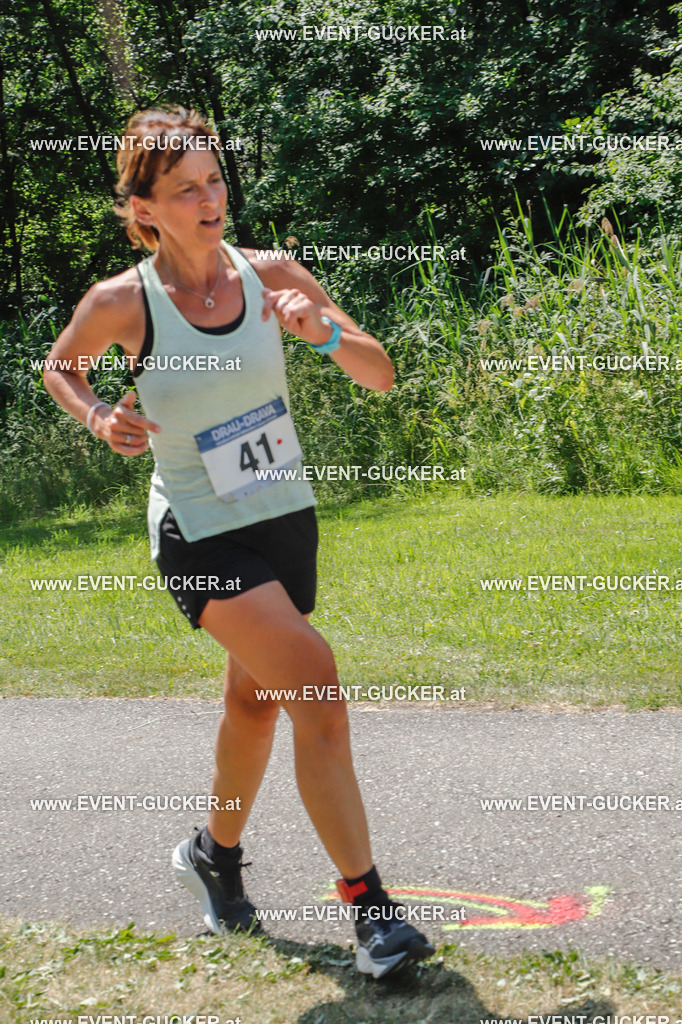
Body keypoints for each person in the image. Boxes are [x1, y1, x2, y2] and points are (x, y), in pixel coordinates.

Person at [43, 107, 435, 980]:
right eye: (185, 190)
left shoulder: (272, 275)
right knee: (316, 683)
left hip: (283, 516)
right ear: (145, 210)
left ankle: (213, 856)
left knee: (255, 706)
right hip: (196, 528)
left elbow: (381, 370)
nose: (210, 199)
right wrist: (100, 412)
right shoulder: (123, 301)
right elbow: (60, 367)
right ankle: (370, 910)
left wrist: (321, 331)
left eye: (215, 179)